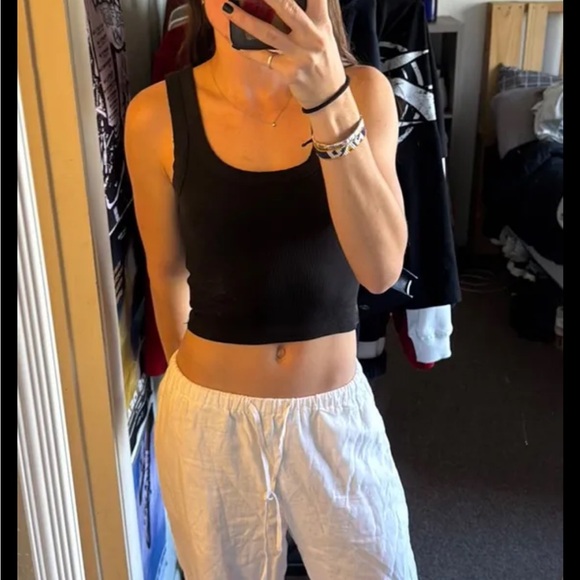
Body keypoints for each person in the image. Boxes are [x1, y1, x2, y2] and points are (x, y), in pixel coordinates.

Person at [124, 0, 417, 576]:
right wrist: (194, 397)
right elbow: (166, 272)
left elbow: (382, 270)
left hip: (333, 418)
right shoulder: (154, 115)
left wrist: (328, 101)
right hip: (208, 420)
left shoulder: (363, 92)